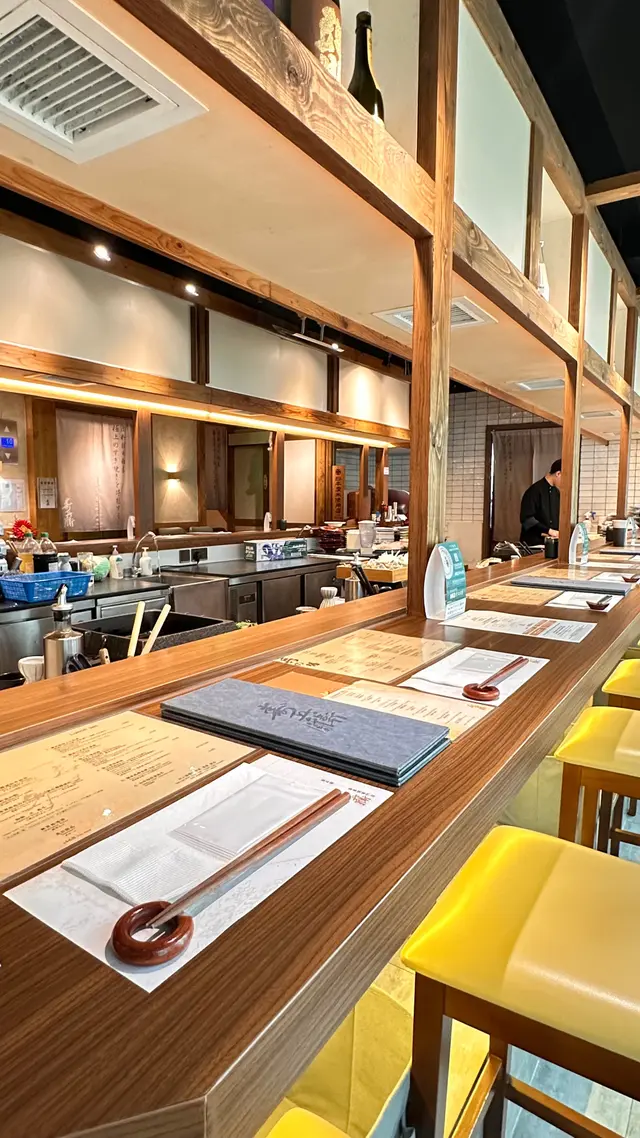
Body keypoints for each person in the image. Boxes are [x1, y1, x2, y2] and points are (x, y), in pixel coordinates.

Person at [520, 459, 562, 546]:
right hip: (534, 544)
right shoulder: (534, 491)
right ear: (558, 474)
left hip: (551, 543)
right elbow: (527, 519)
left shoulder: (556, 492)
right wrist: (548, 531)